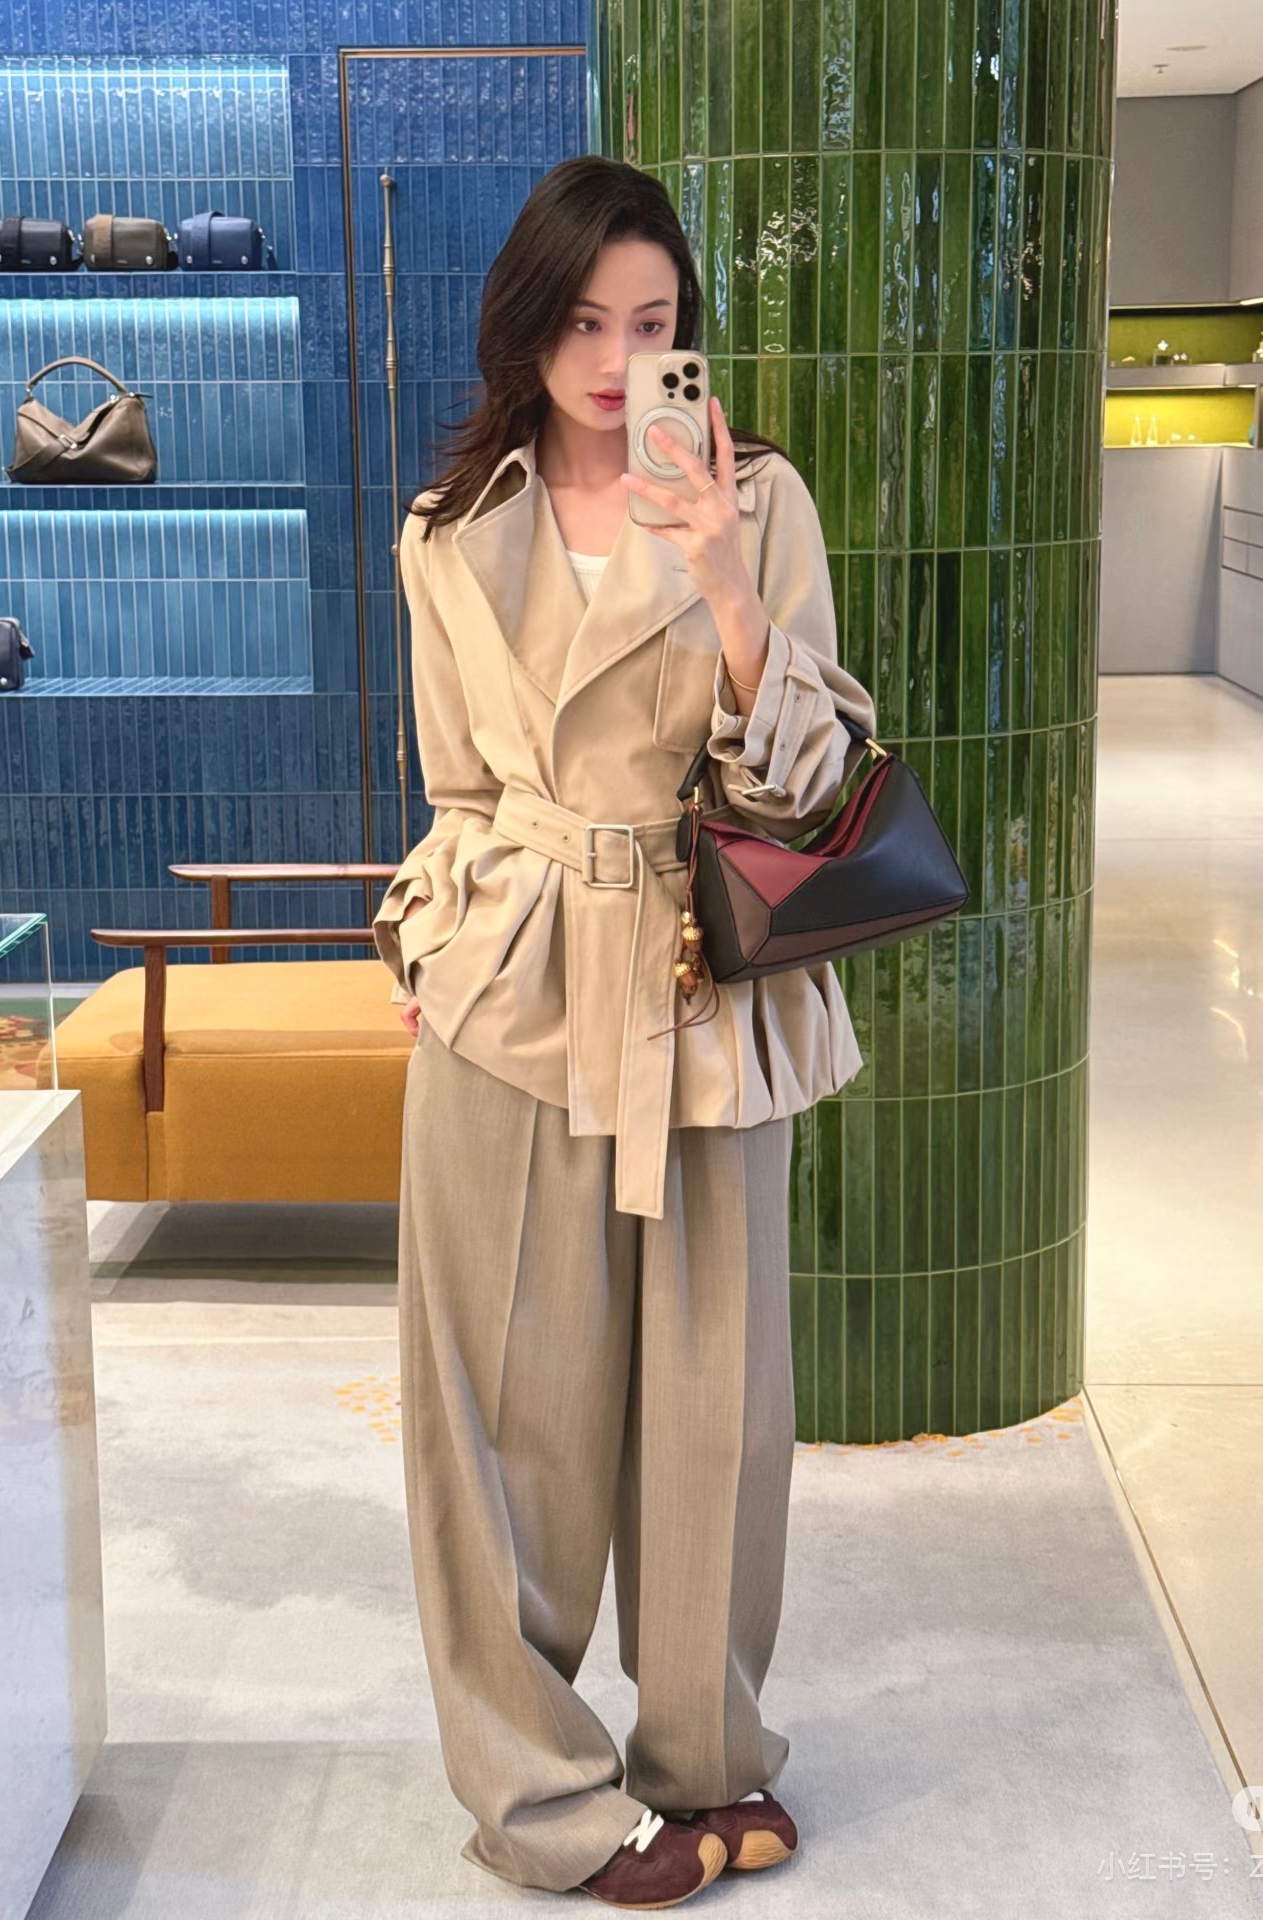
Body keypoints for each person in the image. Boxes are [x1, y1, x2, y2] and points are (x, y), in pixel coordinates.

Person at [370, 153, 877, 1910]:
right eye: (582, 322)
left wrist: (725, 581)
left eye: (649, 324)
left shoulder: (759, 500)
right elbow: (455, 785)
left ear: (686, 335)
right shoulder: (451, 530)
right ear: (528, 325)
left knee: (718, 1409)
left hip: (707, 988)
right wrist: (431, 943)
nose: (613, 361)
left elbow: (809, 786)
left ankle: (705, 1761)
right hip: (513, 994)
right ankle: (543, 1802)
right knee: (499, 1424)